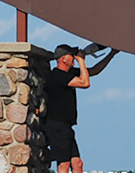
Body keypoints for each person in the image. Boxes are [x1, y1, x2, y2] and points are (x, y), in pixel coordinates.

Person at [44, 44, 119, 173]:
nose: (73, 57)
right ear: (63, 59)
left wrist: (111, 54)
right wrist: (81, 60)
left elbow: (93, 71)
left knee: (77, 164)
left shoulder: (69, 73)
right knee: (64, 164)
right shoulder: (57, 75)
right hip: (57, 125)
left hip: (65, 126)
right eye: (71, 55)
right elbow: (85, 83)